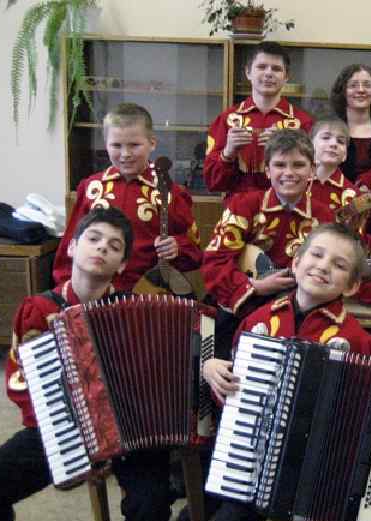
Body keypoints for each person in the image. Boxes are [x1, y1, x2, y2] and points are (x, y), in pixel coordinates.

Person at [201, 222, 371, 521]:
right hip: (257, 464)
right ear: (296, 263)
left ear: (351, 286)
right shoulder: (258, 322)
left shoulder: (360, 343)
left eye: (339, 265)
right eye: (317, 255)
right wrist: (214, 373)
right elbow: (233, 397)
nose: (323, 266)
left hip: (331, 474)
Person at [0, 208, 178, 521]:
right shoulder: (40, 309)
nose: (102, 248)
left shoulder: (136, 311)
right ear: (71, 247)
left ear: (122, 265)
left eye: (114, 246)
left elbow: (165, 364)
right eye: (93, 239)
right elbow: (21, 383)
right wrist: (70, 437)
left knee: (152, 504)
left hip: (134, 432)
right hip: (61, 426)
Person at [52, 102, 202, 291]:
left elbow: (195, 250)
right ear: (106, 145)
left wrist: (176, 248)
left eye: (134, 145)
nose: (125, 154)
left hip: (148, 293)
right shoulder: (91, 188)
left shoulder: (171, 193)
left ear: (152, 143)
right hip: (93, 293)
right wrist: (66, 290)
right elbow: (71, 246)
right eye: (116, 145)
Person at [201, 128, 334, 316]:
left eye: (298, 165)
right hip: (241, 307)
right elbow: (214, 262)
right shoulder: (243, 205)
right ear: (267, 171)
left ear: (312, 170)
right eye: (279, 165)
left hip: (298, 308)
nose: (289, 172)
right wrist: (254, 286)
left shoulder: (324, 216)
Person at [203, 41, 313, 195]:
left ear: (286, 76)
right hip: (239, 206)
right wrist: (228, 153)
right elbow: (212, 183)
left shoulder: (303, 122)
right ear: (248, 72)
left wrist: (286, 148)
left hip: (286, 206)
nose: (269, 73)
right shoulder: (227, 119)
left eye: (276, 69)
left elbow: (314, 179)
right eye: (261, 67)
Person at [330, 64, 371, 181]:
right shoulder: (329, 129)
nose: (361, 90)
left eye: (367, 85)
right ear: (343, 91)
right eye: (353, 85)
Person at [309, 117, 357, 211]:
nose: (334, 144)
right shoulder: (294, 182)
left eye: (340, 141)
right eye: (326, 138)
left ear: (345, 155)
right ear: (309, 145)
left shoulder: (356, 195)